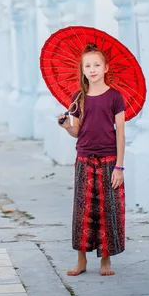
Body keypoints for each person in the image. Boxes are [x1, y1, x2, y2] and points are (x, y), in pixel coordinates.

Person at [58, 43, 126, 277]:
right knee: (83, 211)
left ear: (106, 68)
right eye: (88, 66)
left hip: (109, 161)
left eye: (97, 65)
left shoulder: (115, 97)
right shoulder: (79, 98)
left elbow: (121, 133)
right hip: (84, 159)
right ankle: (81, 260)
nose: (93, 69)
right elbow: (76, 131)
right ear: (83, 70)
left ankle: (105, 261)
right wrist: (67, 126)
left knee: (107, 210)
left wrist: (119, 166)